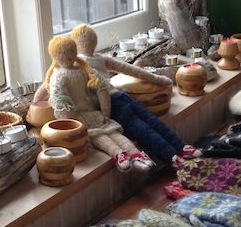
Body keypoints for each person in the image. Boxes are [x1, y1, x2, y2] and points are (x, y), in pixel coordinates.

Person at [70, 24, 200, 165]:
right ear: (95, 42)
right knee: (152, 121)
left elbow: (60, 85)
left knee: (141, 129)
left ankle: (171, 157)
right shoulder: (101, 58)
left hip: (111, 106)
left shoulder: (77, 65)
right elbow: (132, 70)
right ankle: (182, 147)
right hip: (122, 96)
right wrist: (159, 79)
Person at [33, 36, 154, 172]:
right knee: (99, 136)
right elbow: (61, 99)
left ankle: (136, 154)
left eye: (72, 50)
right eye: (65, 52)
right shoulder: (58, 76)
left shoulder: (83, 69)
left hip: (93, 114)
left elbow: (101, 88)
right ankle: (118, 154)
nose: (70, 54)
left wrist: (105, 111)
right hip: (77, 121)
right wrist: (68, 123)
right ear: (56, 55)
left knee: (113, 132)